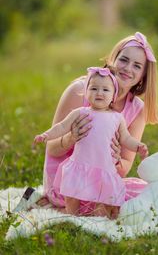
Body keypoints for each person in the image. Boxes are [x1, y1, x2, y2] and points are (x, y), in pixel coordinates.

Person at [42, 31, 158, 215]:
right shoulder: (80, 91)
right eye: (124, 60)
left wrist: (115, 160)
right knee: (115, 204)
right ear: (113, 59)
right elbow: (52, 149)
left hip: (100, 179)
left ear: (143, 75)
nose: (128, 68)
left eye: (137, 66)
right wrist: (71, 138)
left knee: (150, 192)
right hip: (66, 183)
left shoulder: (137, 109)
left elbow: (125, 166)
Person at [34, 67, 148, 218]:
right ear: (86, 92)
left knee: (102, 204)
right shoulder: (80, 112)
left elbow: (125, 138)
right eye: (93, 88)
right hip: (78, 166)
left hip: (103, 168)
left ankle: (98, 223)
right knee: (72, 197)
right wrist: (46, 135)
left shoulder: (117, 118)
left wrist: (138, 146)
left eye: (105, 90)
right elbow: (61, 127)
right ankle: (72, 218)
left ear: (113, 95)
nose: (99, 93)